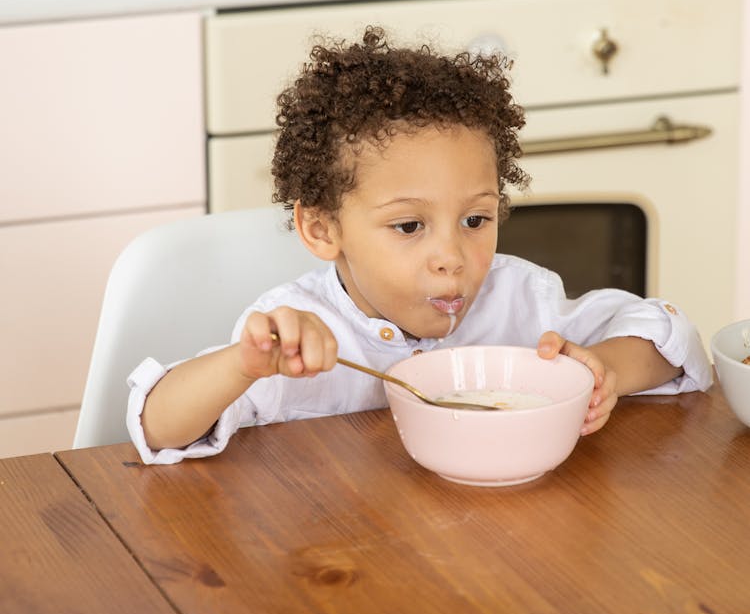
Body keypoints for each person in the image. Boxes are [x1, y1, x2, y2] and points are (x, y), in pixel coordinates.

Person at [127, 26, 711, 465]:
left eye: (476, 219)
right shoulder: (294, 335)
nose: (452, 256)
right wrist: (241, 366)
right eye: (410, 227)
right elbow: (156, 426)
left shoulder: (520, 300)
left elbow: (671, 336)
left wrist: (605, 369)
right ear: (323, 229)